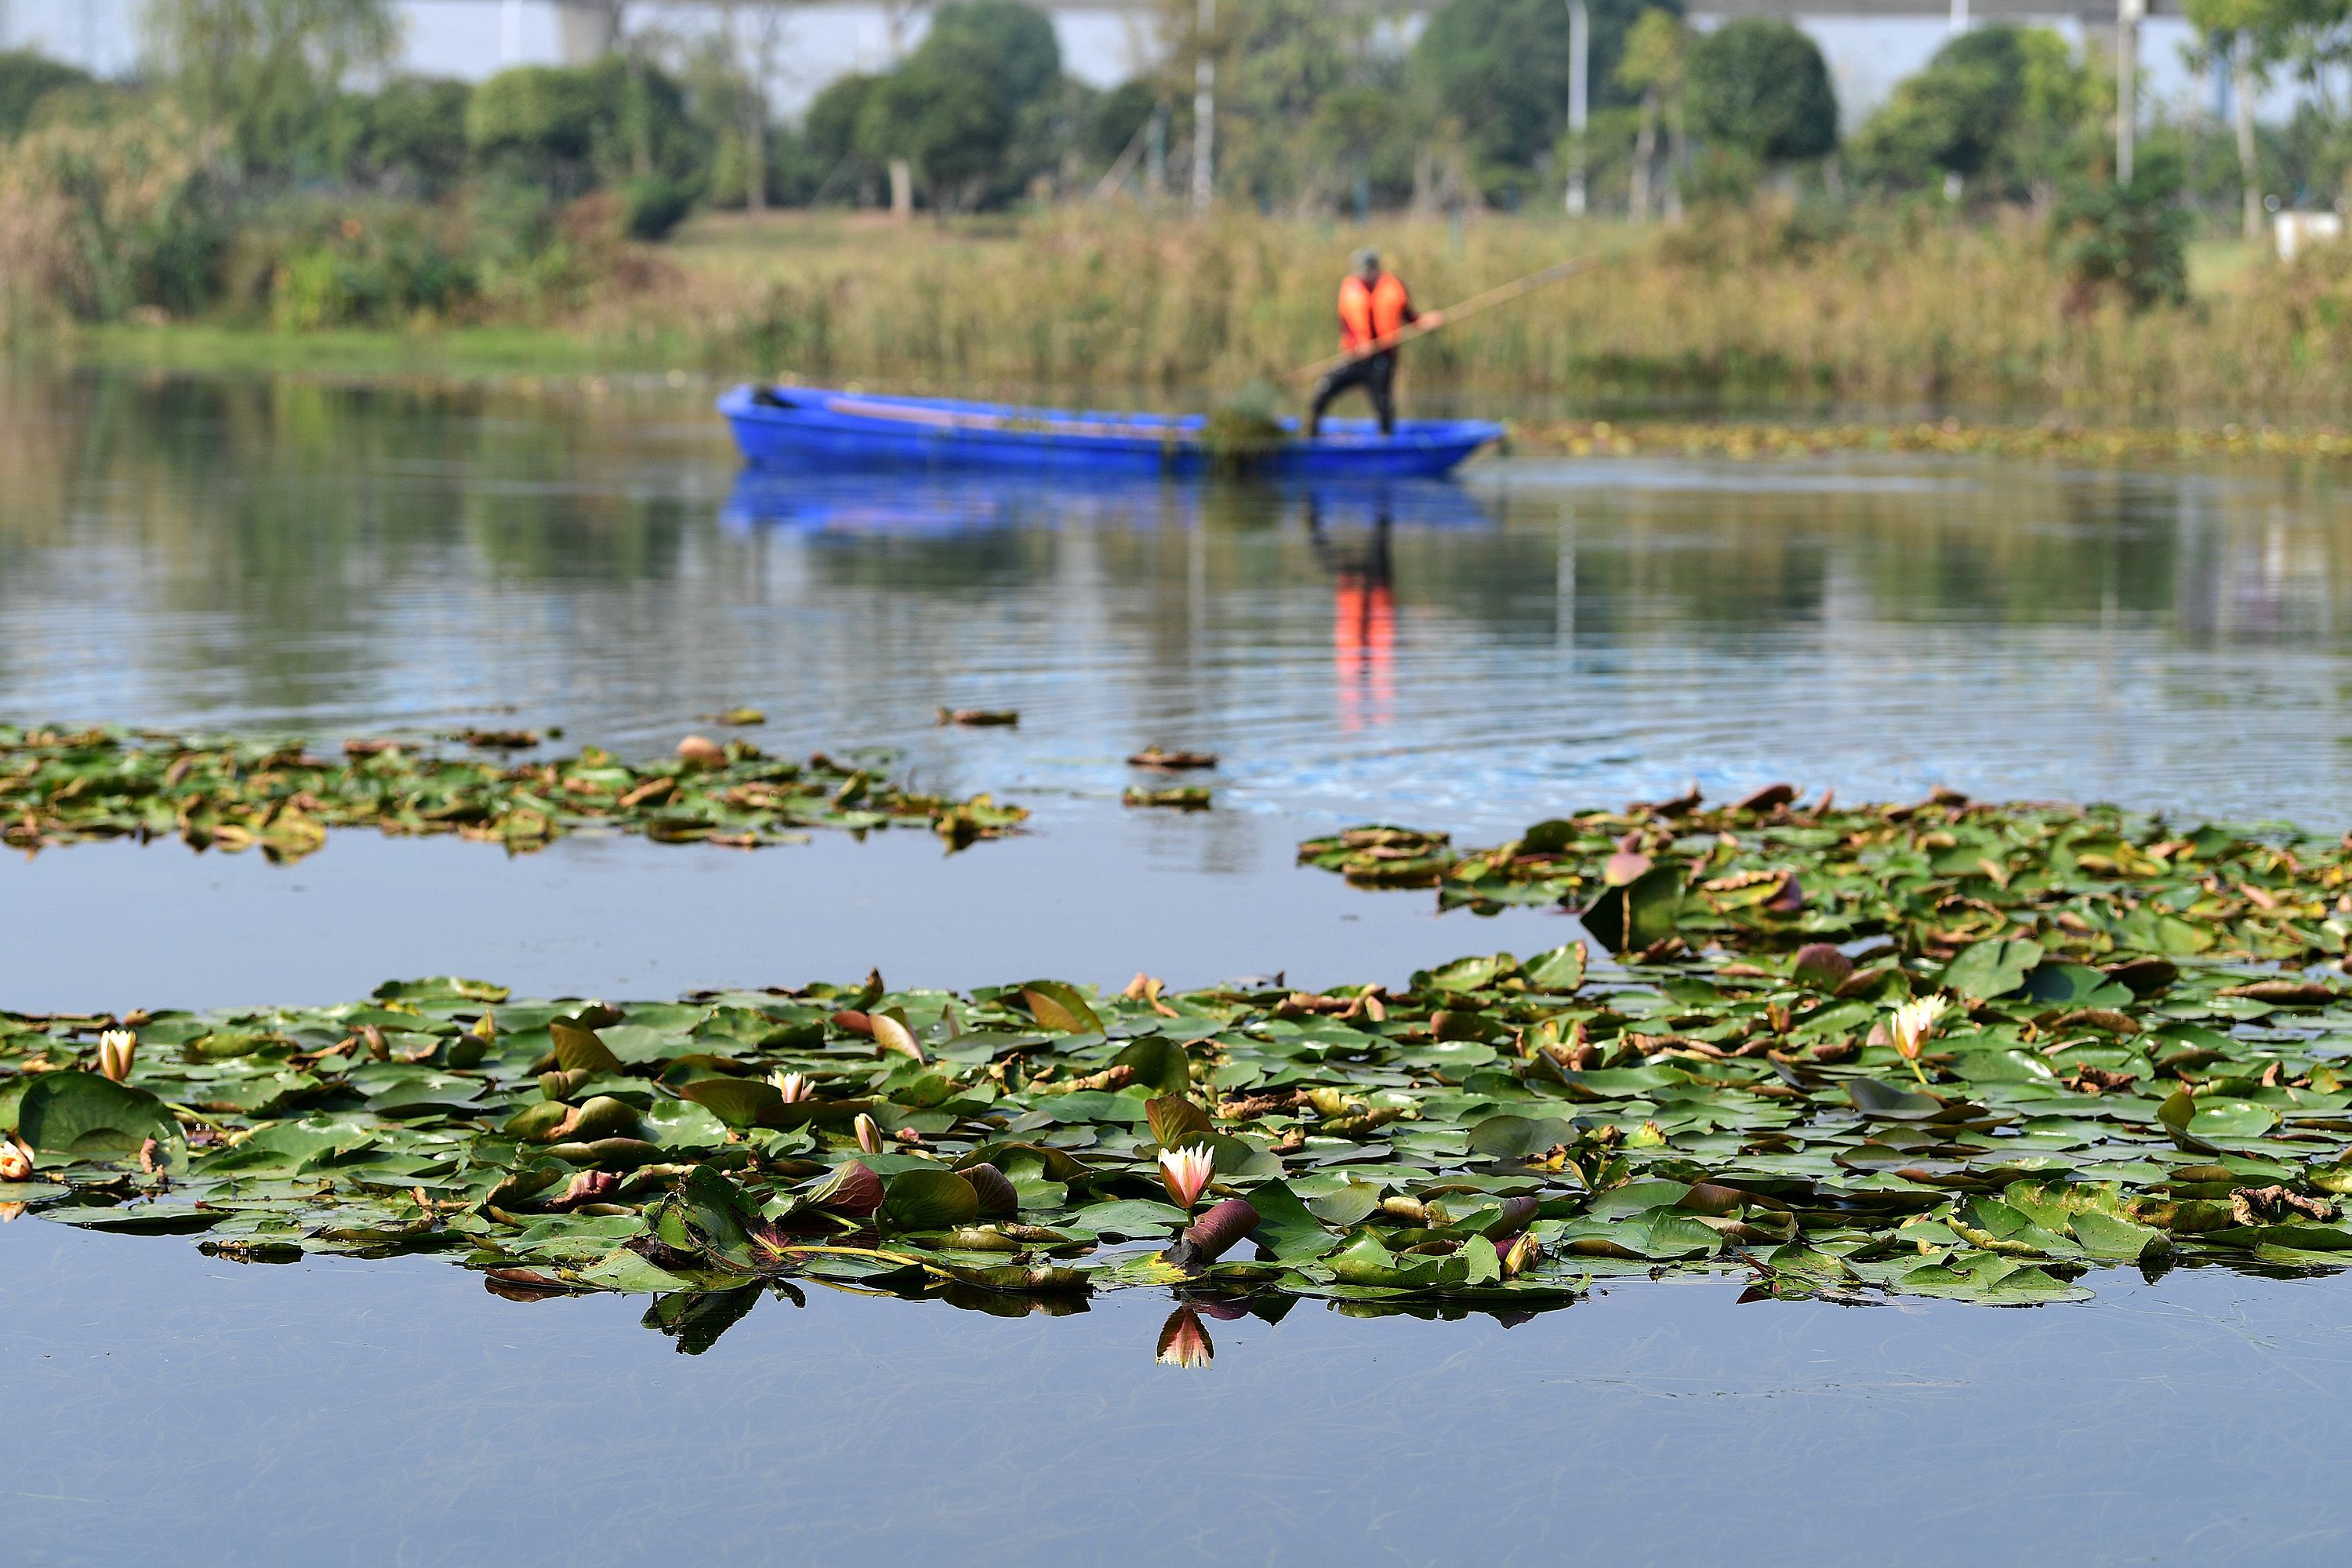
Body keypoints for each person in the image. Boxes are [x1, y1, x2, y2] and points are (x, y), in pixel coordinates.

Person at [1308, 249, 1439, 439]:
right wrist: (1357, 344)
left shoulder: (1394, 287)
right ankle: (1310, 432)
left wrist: (1425, 321)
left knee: (1382, 401)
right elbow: (1345, 324)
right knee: (1325, 388)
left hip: (1383, 357)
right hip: (1356, 357)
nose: (1365, 272)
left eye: (1369, 267)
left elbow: (1409, 316)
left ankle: (1386, 439)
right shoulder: (1349, 289)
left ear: (1376, 267)